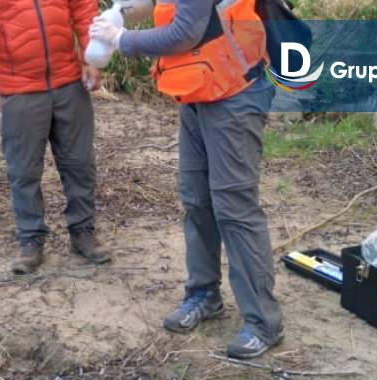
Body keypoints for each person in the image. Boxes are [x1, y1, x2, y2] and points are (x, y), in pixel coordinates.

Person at [91, 0, 284, 359]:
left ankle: (263, 322)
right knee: (196, 198)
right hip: (200, 87)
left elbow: (186, 31)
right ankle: (204, 295)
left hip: (235, 92)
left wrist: (120, 38)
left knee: (234, 207)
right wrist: (121, 12)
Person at [0, 0, 112, 274]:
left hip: (69, 82)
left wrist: (91, 57)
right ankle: (30, 239)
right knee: (23, 171)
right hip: (17, 88)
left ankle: (84, 232)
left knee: (80, 164)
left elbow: (84, 8)